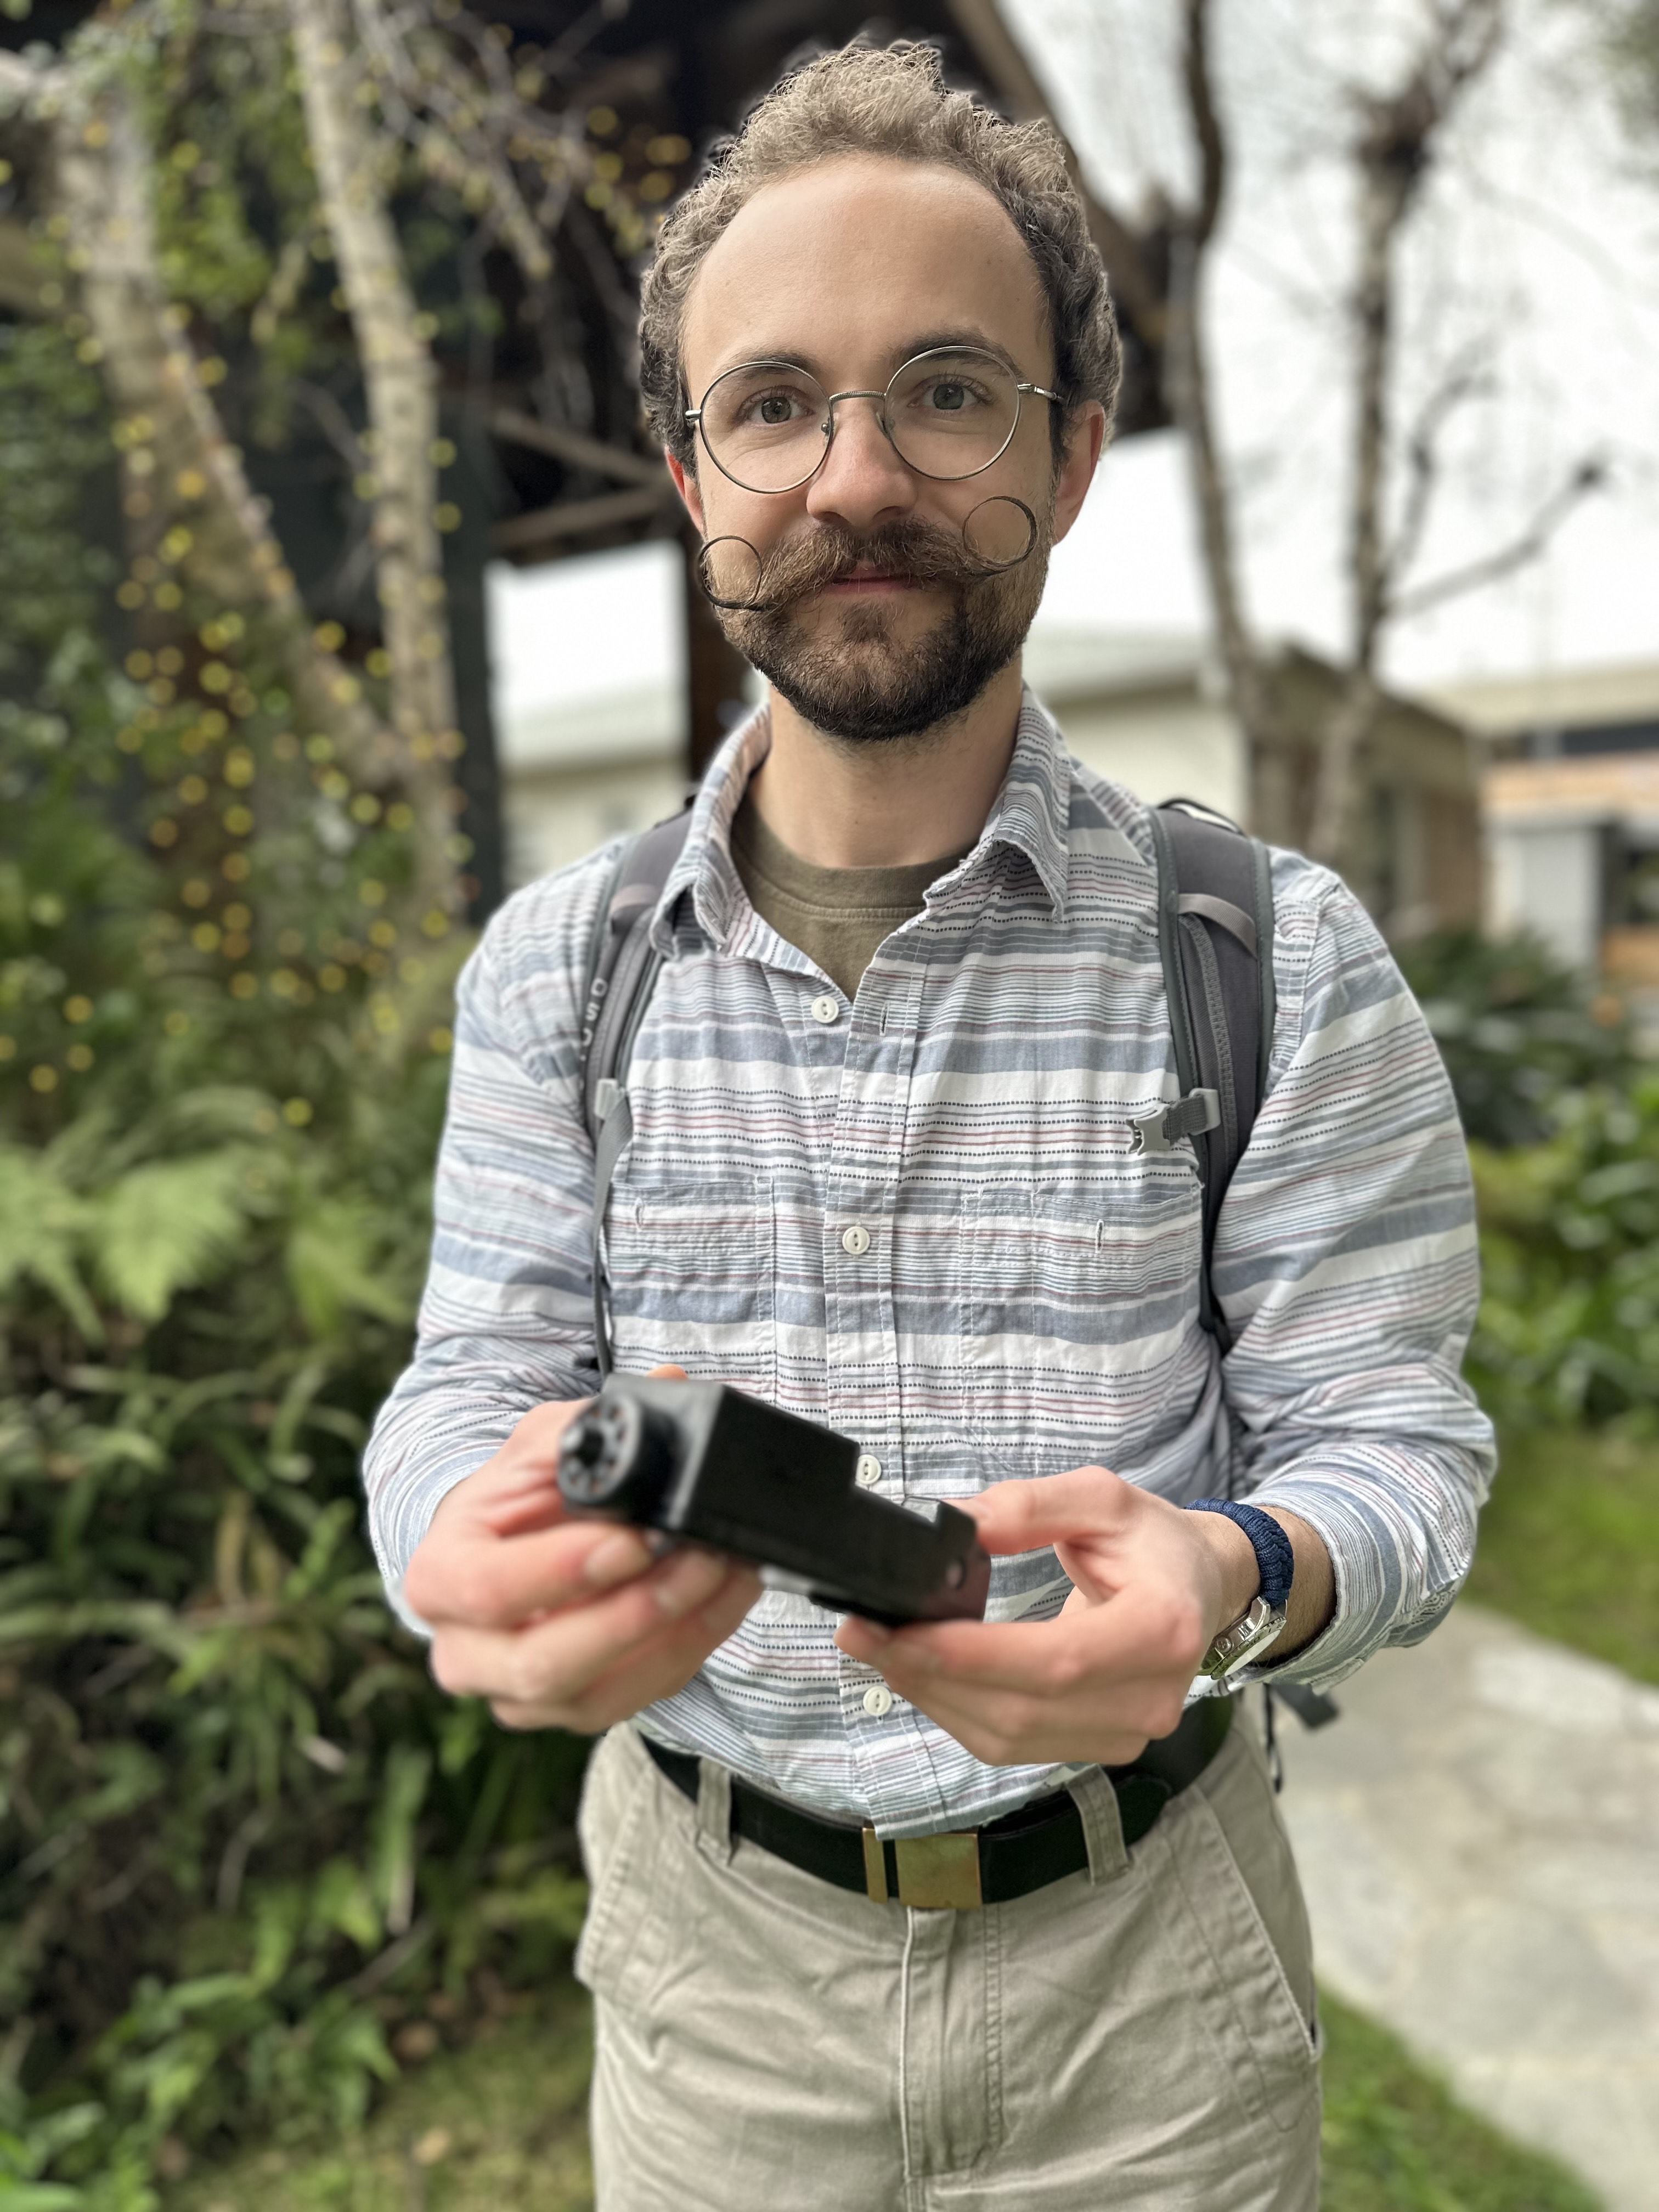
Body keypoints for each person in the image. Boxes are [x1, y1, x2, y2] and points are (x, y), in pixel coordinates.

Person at [364, 40, 1494, 2212]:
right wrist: (455, 1540)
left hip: (1152, 1990)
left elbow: (1401, 1449)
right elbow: (469, 1386)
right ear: (693, 468)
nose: (855, 473)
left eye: (950, 392)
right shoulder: (556, 969)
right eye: (776, 403)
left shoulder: (1273, 952)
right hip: (714, 1986)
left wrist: (1235, 1574)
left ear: (1073, 458)